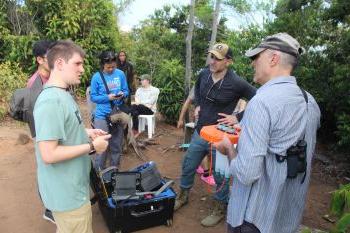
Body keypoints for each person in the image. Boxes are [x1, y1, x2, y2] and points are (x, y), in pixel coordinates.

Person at [215, 33, 321, 233]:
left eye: (256, 57)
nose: (252, 63)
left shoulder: (261, 102)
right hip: (287, 218)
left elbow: (246, 174)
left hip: (253, 219)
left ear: (273, 59)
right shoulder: (310, 102)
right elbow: (289, 142)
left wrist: (229, 149)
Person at [175, 43, 257, 227]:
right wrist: (198, 106)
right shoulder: (204, 74)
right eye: (211, 56)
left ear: (228, 61)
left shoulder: (236, 82)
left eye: (217, 58)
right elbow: (198, 91)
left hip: (221, 137)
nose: (212, 61)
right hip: (200, 131)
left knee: (220, 175)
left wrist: (238, 117)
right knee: (188, 164)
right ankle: (183, 196)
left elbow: (258, 98)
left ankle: (220, 207)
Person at [33, 40, 111, 233]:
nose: (82, 69)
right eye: (77, 63)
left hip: (73, 187)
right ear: (59, 64)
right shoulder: (51, 101)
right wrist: (93, 147)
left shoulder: (62, 94)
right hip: (67, 195)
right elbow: (49, 154)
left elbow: (64, 129)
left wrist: (86, 132)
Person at [25, 40, 56, 223]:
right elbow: (37, 119)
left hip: (53, 130)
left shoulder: (52, 75)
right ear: (39, 59)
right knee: (46, 170)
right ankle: (49, 209)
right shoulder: (34, 85)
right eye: (49, 56)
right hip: (42, 133)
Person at [90, 51, 129, 169]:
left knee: (116, 145)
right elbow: (93, 96)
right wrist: (107, 97)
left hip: (117, 114)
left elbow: (126, 90)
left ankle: (114, 172)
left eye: (113, 66)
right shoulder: (97, 77)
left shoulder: (120, 74)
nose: (111, 69)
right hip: (102, 116)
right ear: (103, 65)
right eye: (108, 67)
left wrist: (123, 94)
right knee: (102, 146)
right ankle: (99, 175)